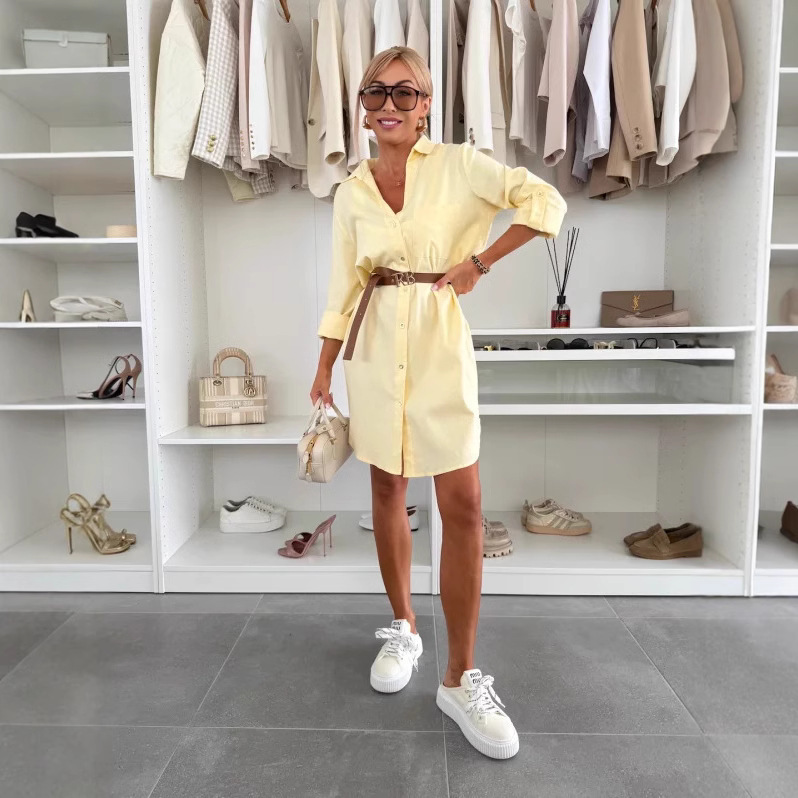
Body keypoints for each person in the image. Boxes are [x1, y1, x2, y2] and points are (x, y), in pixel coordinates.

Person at [310, 46, 566, 759]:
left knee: (464, 506)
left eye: (405, 92)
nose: (389, 105)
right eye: (375, 93)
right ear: (362, 107)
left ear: (425, 105)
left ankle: (460, 678)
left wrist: (480, 262)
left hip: (439, 346)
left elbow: (545, 203)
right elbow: (342, 288)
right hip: (372, 347)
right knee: (386, 491)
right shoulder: (351, 191)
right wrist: (324, 366)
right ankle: (404, 627)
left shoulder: (460, 166)